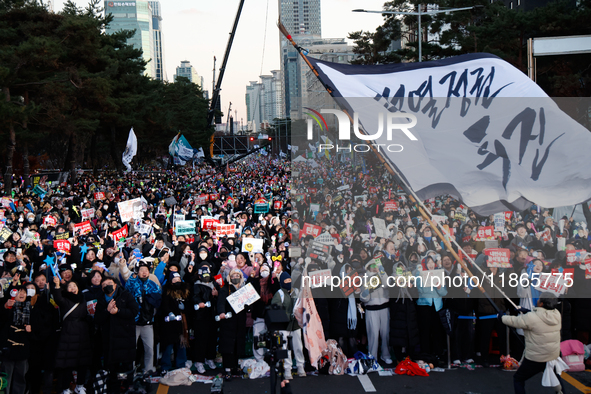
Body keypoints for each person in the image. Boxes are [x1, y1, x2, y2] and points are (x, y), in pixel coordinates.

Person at [500, 292, 565, 394]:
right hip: (551, 357)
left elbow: (514, 321)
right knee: (556, 380)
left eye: (539, 299)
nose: (537, 300)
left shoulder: (531, 318)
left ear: (541, 304)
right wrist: (527, 311)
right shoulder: (557, 314)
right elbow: (541, 317)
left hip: (535, 358)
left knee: (518, 379)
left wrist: (501, 317)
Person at [95, 277, 139, 394]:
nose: (107, 286)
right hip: (109, 339)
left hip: (125, 338)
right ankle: (114, 389)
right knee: (112, 369)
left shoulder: (125, 295)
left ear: (115, 285)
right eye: (104, 284)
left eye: (109, 283)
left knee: (126, 368)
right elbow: (98, 319)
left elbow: (134, 311)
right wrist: (107, 311)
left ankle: (127, 387)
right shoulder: (101, 299)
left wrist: (118, 311)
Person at [51, 276, 92, 394]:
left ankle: (80, 385)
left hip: (82, 332)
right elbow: (57, 297)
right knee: (68, 363)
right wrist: (57, 285)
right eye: (70, 286)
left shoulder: (83, 299)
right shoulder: (64, 299)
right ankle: (65, 388)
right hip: (68, 332)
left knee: (82, 362)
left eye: (75, 286)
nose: (73, 288)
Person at [124, 260, 162, 374]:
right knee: (131, 348)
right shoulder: (132, 282)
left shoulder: (153, 284)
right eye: (141, 270)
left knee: (149, 348)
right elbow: (126, 292)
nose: (144, 273)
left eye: (146, 270)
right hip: (134, 322)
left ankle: (148, 368)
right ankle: (131, 369)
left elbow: (158, 300)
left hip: (148, 322)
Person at [217, 268, 248, 381]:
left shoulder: (244, 289)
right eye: (233, 275)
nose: (235, 277)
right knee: (228, 344)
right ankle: (227, 369)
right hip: (228, 319)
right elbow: (220, 302)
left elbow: (248, 303)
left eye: (237, 275)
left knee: (238, 343)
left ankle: (235, 366)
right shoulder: (225, 288)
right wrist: (221, 313)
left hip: (240, 320)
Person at [1, 284, 32, 394]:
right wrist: (5, 307)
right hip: (8, 348)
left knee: (21, 376)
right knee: (6, 376)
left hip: (23, 348)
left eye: (24, 291)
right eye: (19, 292)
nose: (22, 294)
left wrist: (31, 328)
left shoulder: (30, 308)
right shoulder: (6, 306)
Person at [159, 272, 189, 374]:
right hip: (170, 323)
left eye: (178, 279)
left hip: (182, 323)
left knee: (181, 344)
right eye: (175, 280)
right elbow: (164, 305)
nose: (177, 281)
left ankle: (181, 365)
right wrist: (169, 313)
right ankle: (165, 367)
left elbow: (189, 303)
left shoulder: (185, 291)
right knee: (168, 346)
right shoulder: (167, 292)